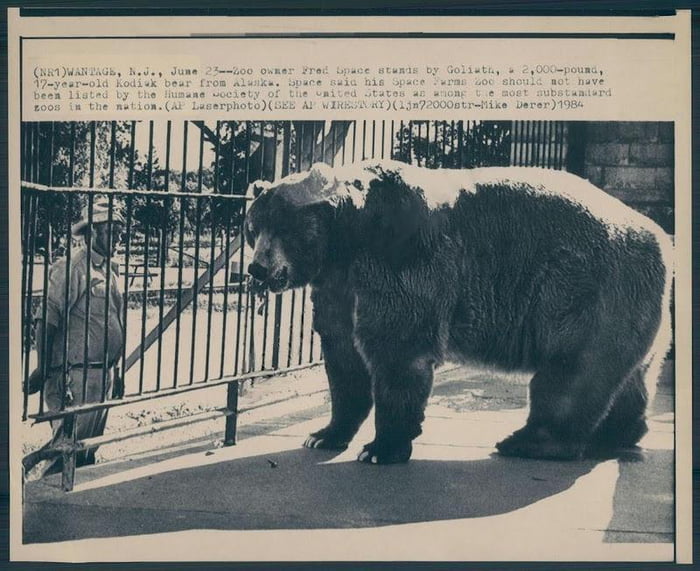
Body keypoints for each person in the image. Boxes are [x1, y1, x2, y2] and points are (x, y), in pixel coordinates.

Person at [27, 198, 125, 469]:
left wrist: (116, 371)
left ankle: (66, 500)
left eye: (119, 230)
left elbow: (114, 320)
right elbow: (48, 317)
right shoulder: (72, 267)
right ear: (92, 231)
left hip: (102, 374)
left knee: (86, 452)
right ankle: (27, 471)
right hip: (74, 377)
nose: (118, 236)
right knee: (65, 452)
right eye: (111, 230)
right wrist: (43, 367)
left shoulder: (110, 269)